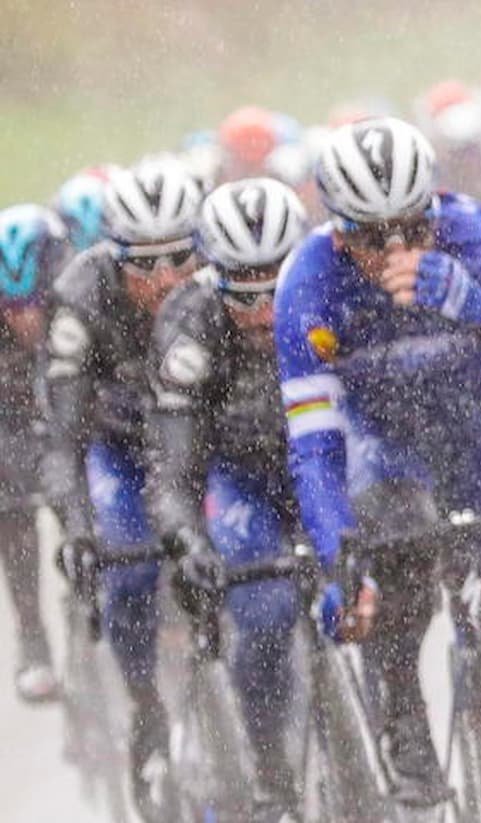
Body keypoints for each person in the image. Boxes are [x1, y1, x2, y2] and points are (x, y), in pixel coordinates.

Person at [274, 116, 481, 809]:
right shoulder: (307, 283)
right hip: (388, 446)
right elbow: (315, 448)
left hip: (477, 427)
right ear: (340, 233)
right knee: (394, 551)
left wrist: (471, 299)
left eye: (414, 225)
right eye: (376, 237)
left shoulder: (475, 235)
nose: (400, 247)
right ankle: (402, 713)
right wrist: (340, 552)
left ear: (435, 206)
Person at [41, 158, 203, 820]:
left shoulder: (224, 284)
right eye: (145, 264)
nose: (165, 281)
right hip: (119, 448)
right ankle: (146, 713)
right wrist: (79, 528)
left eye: (178, 259)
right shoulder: (81, 295)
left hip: (201, 441)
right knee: (129, 565)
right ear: (114, 256)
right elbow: (64, 438)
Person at [146, 177, 308, 822]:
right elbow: (175, 466)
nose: (266, 314)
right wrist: (186, 539)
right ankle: (270, 770)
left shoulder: (330, 289)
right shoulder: (188, 322)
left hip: (319, 461)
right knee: (264, 610)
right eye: (245, 296)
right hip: (239, 478)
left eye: (278, 290)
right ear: (214, 278)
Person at [0, 205, 72, 703]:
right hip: (14, 426)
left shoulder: (86, 299)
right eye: (11, 308)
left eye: (37, 305)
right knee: (11, 508)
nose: (27, 321)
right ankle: (33, 636)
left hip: (74, 417)